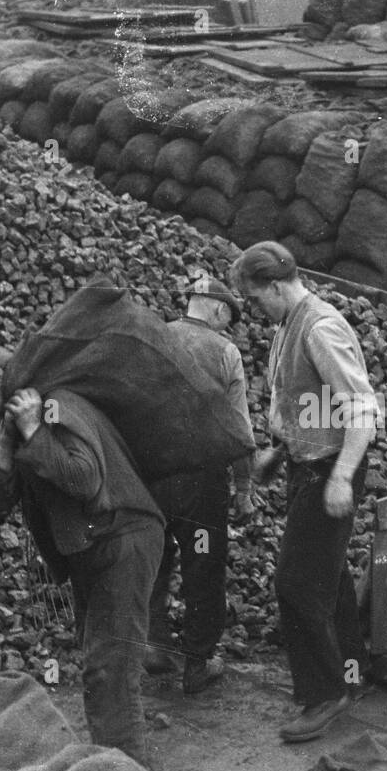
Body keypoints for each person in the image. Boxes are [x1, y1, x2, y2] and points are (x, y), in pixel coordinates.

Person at [0, 340, 164, 765]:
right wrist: (9, 446)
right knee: (102, 661)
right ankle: (113, 763)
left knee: (110, 667)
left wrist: (36, 433)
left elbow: (84, 479)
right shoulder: (10, 421)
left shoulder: (58, 405)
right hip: (88, 547)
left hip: (124, 538)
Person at [229, 241, 379, 743]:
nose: (253, 309)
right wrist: (281, 449)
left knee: (295, 586)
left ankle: (324, 695)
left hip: (329, 471)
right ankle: (352, 673)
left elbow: (362, 408)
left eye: (254, 298)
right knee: (328, 577)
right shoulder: (288, 325)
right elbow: (305, 401)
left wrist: (341, 477)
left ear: (274, 285)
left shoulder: (319, 327)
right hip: (306, 463)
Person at [145, 279, 255, 694]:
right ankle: (198, 662)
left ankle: (152, 644)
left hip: (151, 476)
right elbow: (239, 428)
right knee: (203, 564)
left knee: (155, 558)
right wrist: (244, 486)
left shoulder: (153, 337)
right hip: (201, 483)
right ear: (219, 310)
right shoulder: (224, 352)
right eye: (229, 317)